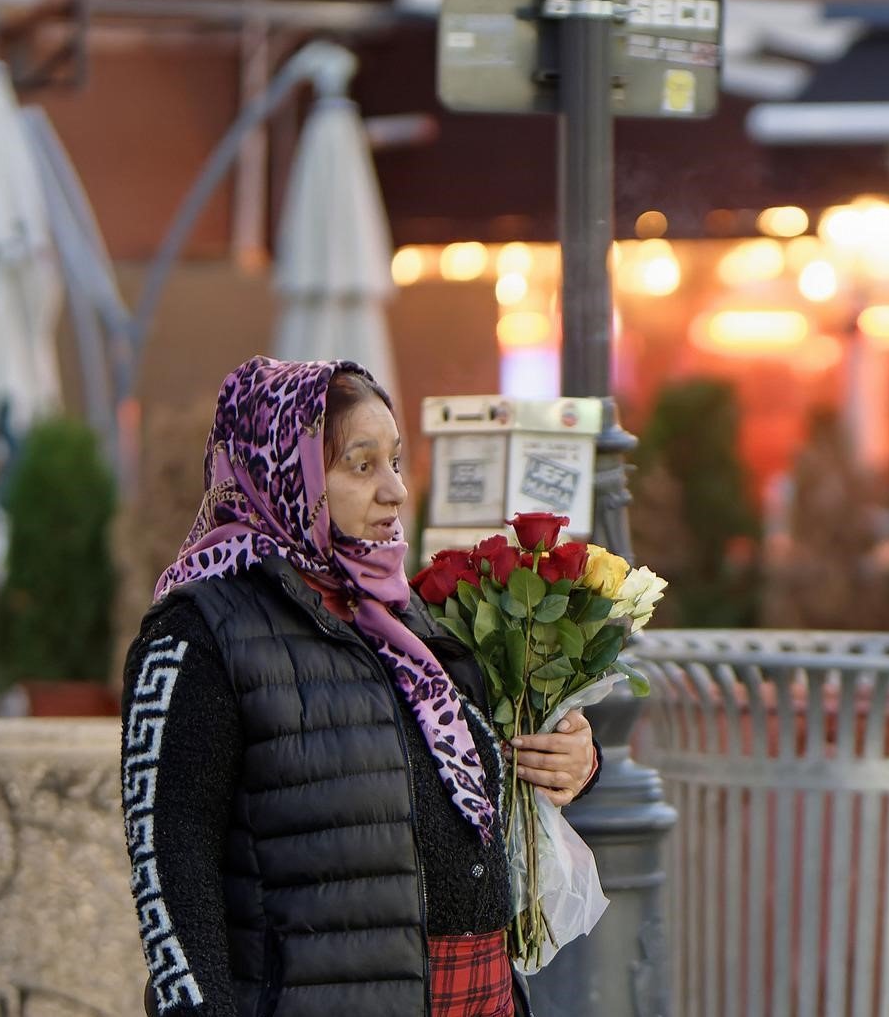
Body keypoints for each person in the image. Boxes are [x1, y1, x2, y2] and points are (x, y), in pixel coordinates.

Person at [120, 356, 599, 1017]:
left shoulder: (408, 620)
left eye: (396, 461)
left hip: (478, 995)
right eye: (361, 464)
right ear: (289, 474)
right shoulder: (202, 632)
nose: (397, 490)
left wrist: (575, 758)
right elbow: (171, 868)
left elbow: (492, 764)